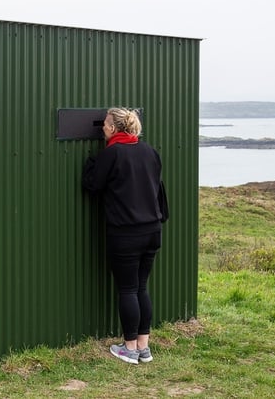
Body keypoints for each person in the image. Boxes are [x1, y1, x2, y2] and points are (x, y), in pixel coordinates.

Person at [82, 107, 168, 365]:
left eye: (106, 125)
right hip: (152, 231)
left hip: (126, 233)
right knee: (141, 287)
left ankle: (129, 348)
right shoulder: (149, 151)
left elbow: (92, 186)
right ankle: (144, 347)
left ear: (114, 128)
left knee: (128, 289)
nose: (103, 128)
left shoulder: (112, 153)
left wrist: (91, 163)